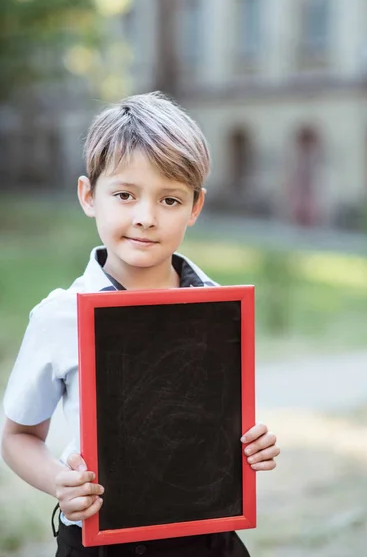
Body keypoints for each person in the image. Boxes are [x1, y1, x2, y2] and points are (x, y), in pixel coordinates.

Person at [1, 92, 280, 557]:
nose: (145, 218)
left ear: (195, 207)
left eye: (169, 199)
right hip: (103, 543)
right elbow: (17, 436)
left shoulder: (215, 306)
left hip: (207, 539)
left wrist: (252, 447)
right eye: (125, 195)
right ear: (89, 196)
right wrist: (60, 483)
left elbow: (212, 429)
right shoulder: (60, 315)